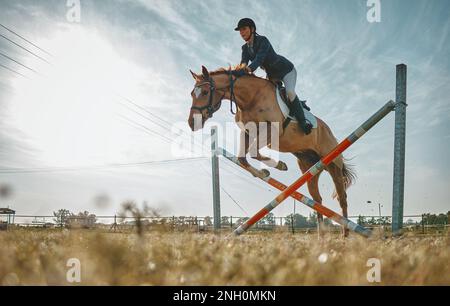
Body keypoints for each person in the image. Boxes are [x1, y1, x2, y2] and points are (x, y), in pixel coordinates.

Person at [234, 18, 312, 135]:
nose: (242, 33)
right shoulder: (244, 48)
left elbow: (259, 59)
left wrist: (249, 69)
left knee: (290, 92)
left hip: (286, 70)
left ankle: (303, 123)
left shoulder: (263, 40)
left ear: (252, 29)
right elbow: (243, 62)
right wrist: (241, 69)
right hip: (272, 75)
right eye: (240, 31)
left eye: (244, 29)